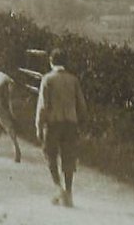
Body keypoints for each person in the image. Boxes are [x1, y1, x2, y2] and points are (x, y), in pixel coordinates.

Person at [35, 48, 87, 207]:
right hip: (71, 124)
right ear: (65, 62)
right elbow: (82, 106)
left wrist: (38, 125)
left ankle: (59, 189)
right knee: (69, 158)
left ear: (51, 61)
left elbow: (42, 106)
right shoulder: (74, 80)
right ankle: (69, 194)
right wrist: (81, 123)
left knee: (50, 155)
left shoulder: (47, 79)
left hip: (53, 124)